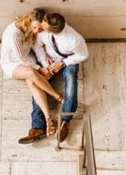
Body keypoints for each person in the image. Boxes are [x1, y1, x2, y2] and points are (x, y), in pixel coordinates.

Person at [0, 8, 63, 142]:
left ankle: (47, 119)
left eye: (39, 29)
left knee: (32, 81)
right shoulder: (13, 33)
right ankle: (56, 95)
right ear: (28, 20)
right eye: (35, 28)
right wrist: (40, 69)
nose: (36, 31)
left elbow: (34, 46)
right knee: (31, 73)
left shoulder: (34, 28)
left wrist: (44, 62)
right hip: (12, 63)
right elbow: (21, 58)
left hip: (29, 58)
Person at [33, 12, 88, 143]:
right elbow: (37, 46)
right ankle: (37, 126)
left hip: (66, 61)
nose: (40, 27)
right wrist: (46, 65)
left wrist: (62, 63)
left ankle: (65, 121)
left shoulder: (75, 39)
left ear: (54, 31)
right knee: (38, 83)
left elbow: (83, 55)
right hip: (48, 61)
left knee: (70, 82)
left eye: (44, 28)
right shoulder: (43, 28)